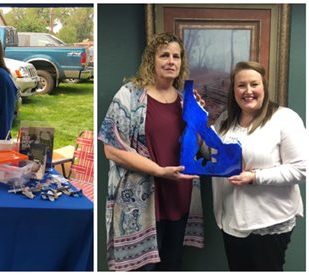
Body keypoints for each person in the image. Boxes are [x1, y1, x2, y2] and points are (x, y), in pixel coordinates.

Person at [98, 32, 204, 271]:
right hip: (140, 202)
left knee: (173, 264)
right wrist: (159, 171)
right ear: (151, 60)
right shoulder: (129, 95)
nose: (171, 61)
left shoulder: (184, 100)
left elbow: (194, 147)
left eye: (176, 56)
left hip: (179, 195)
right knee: (143, 268)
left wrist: (198, 118)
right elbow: (111, 150)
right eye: (164, 55)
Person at [210, 61, 306, 271]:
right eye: (241, 85)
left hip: (269, 223)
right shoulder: (226, 121)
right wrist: (195, 121)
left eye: (254, 84)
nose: (248, 91)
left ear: (264, 86)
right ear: (233, 90)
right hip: (232, 221)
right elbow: (210, 153)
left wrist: (255, 177)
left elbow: (301, 170)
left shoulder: (285, 119)